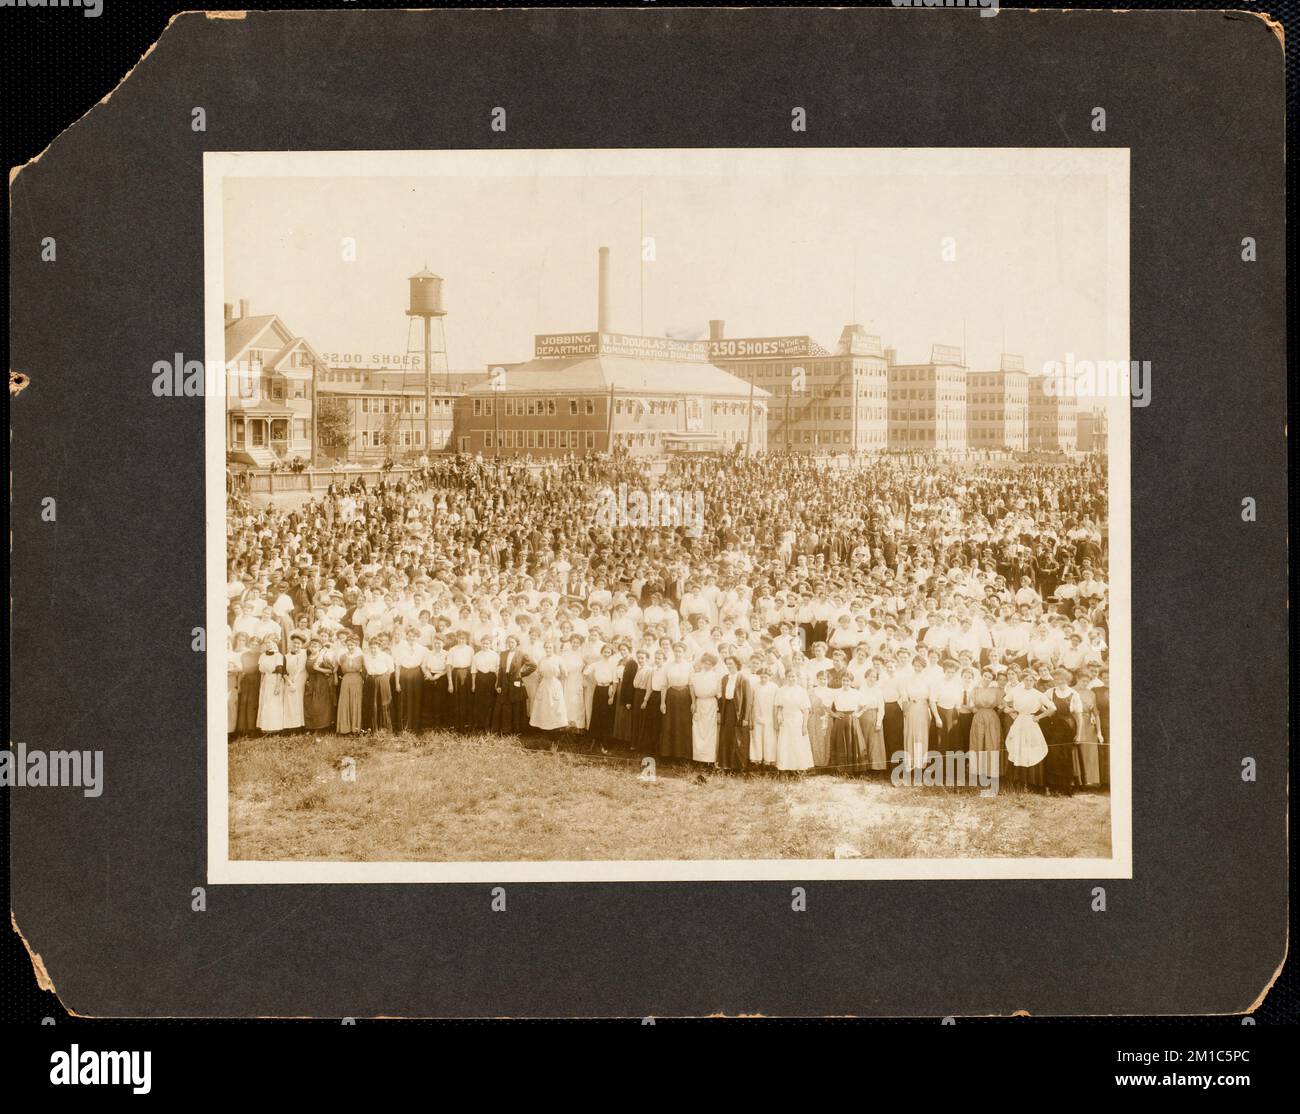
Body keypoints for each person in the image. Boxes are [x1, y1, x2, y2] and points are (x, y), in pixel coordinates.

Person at [492, 635, 534, 735]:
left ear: (516, 643)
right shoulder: (503, 654)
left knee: (516, 707)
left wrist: (522, 674)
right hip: (504, 682)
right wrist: (499, 685)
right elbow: (501, 671)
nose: (510, 644)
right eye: (509, 642)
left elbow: (533, 666)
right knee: (506, 707)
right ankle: (506, 730)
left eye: (512, 642)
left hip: (516, 683)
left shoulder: (522, 654)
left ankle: (517, 731)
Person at [773, 672, 814, 773]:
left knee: (798, 743)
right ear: (786, 678)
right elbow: (779, 706)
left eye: (794, 676)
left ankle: (799, 769)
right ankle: (785, 769)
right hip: (785, 720)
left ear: (797, 678)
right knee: (786, 743)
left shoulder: (801, 691)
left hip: (797, 720)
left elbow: (806, 710)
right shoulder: (781, 690)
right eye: (789, 676)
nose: (791, 678)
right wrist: (778, 716)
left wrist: (804, 725)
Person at [968, 668, 1003, 784]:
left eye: (990, 677)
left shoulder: (996, 690)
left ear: (992, 679)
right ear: (982, 676)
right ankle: (977, 773)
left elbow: (1001, 705)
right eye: (985, 676)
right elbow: (970, 704)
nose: (987, 679)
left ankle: (991, 774)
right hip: (978, 717)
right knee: (977, 742)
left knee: (991, 743)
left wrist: (993, 714)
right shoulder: (975, 689)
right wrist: (976, 711)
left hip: (992, 718)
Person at [717, 655, 751, 772]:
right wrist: (720, 712)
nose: (729, 666)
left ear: (737, 664)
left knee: (738, 738)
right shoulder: (725, 678)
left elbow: (747, 699)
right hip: (727, 710)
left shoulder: (743, 679)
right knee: (727, 737)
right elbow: (722, 697)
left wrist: (745, 717)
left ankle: (739, 767)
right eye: (727, 664)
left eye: (731, 663)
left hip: (739, 712)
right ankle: (726, 765)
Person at [660, 642, 694, 761]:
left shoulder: (689, 666)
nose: (678, 653)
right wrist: (662, 702)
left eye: (680, 651)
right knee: (670, 724)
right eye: (676, 651)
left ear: (684, 653)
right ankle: (668, 754)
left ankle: (683, 755)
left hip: (685, 697)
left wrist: (693, 702)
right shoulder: (668, 666)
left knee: (683, 724)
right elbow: (664, 685)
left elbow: (691, 685)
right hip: (671, 696)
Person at [528, 641, 569, 733]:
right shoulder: (542, 659)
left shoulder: (559, 659)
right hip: (544, 684)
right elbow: (538, 673)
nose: (548, 649)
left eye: (550, 647)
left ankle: (555, 729)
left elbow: (565, 673)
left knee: (554, 706)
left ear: (554, 648)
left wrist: (557, 679)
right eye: (546, 647)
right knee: (544, 706)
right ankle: (545, 728)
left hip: (554, 684)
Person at [689, 653, 720, 765]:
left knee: (709, 731)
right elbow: (691, 688)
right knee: (698, 730)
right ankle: (698, 758)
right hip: (699, 703)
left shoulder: (716, 676)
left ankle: (709, 759)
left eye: (710, 664)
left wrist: (718, 709)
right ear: (702, 663)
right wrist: (693, 702)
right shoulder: (696, 676)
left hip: (711, 704)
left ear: (713, 665)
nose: (707, 666)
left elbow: (719, 693)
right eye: (705, 663)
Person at [304, 637, 337, 732]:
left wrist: (318, 668)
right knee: (309, 703)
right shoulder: (308, 656)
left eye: (316, 646)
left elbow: (331, 670)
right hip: (311, 682)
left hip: (321, 682)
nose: (313, 647)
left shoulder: (322, 657)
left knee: (320, 705)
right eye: (312, 645)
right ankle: (312, 727)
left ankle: (323, 727)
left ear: (319, 647)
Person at [256, 638, 286, 733]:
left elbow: (279, 672)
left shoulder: (278, 656)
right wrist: (261, 684)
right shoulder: (262, 656)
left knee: (274, 704)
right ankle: (265, 728)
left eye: (270, 642)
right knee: (265, 703)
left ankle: (275, 728)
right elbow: (262, 673)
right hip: (266, 681)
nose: (268, 644)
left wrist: (277, 687)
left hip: (275, 680)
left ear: (274, 643)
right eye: (266, 643)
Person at [282, 633, 307, 731]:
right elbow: (284, 672)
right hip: (290, 681)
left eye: (299, 643)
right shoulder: (286, 656)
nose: (296, 645)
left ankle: (302, 726)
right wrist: (289, 682)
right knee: (290, 703)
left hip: (302, 681)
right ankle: (291, 727)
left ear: (302, 645)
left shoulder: (305, 653)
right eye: (294, 643)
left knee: (300, 703)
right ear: (291, 643)